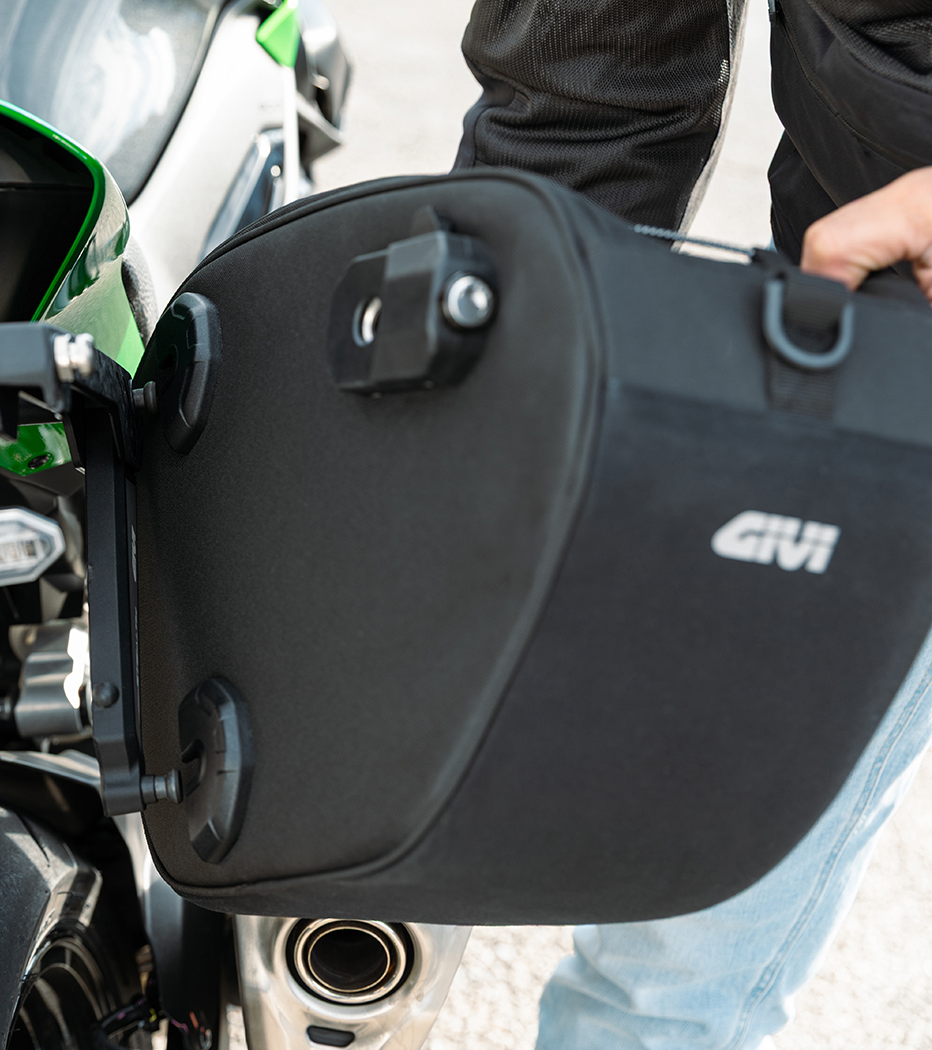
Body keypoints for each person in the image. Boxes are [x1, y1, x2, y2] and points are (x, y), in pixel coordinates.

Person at [454, 2, 932, 1047]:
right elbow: (589, 88)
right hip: (860, 303)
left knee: (670, 977)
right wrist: (510, 390)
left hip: (905, 359)